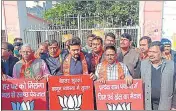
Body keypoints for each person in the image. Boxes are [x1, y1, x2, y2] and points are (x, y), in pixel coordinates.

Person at [140, 41, 176, 110]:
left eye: (154, 52)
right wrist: (128, 77)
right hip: (147, 105)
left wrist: (174, 106)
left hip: (166, 106)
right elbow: (136, 82)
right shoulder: (142, 65)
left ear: (162, 53)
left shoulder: (172, 66)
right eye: (150, 51)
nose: (151, 54)